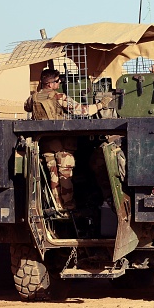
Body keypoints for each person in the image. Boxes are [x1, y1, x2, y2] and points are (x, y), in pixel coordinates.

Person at [24, 68, 112, 214]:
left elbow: (27, 108)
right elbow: (82, 111)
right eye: (58, 81)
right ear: (50, 84)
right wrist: (101, 105)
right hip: (62, 146)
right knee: (65, 176)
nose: (59, 84)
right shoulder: (59, 97)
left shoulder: (32, 98)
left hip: (45, 144)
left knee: (53, 177)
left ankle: (58, 207)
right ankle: (68, 207)